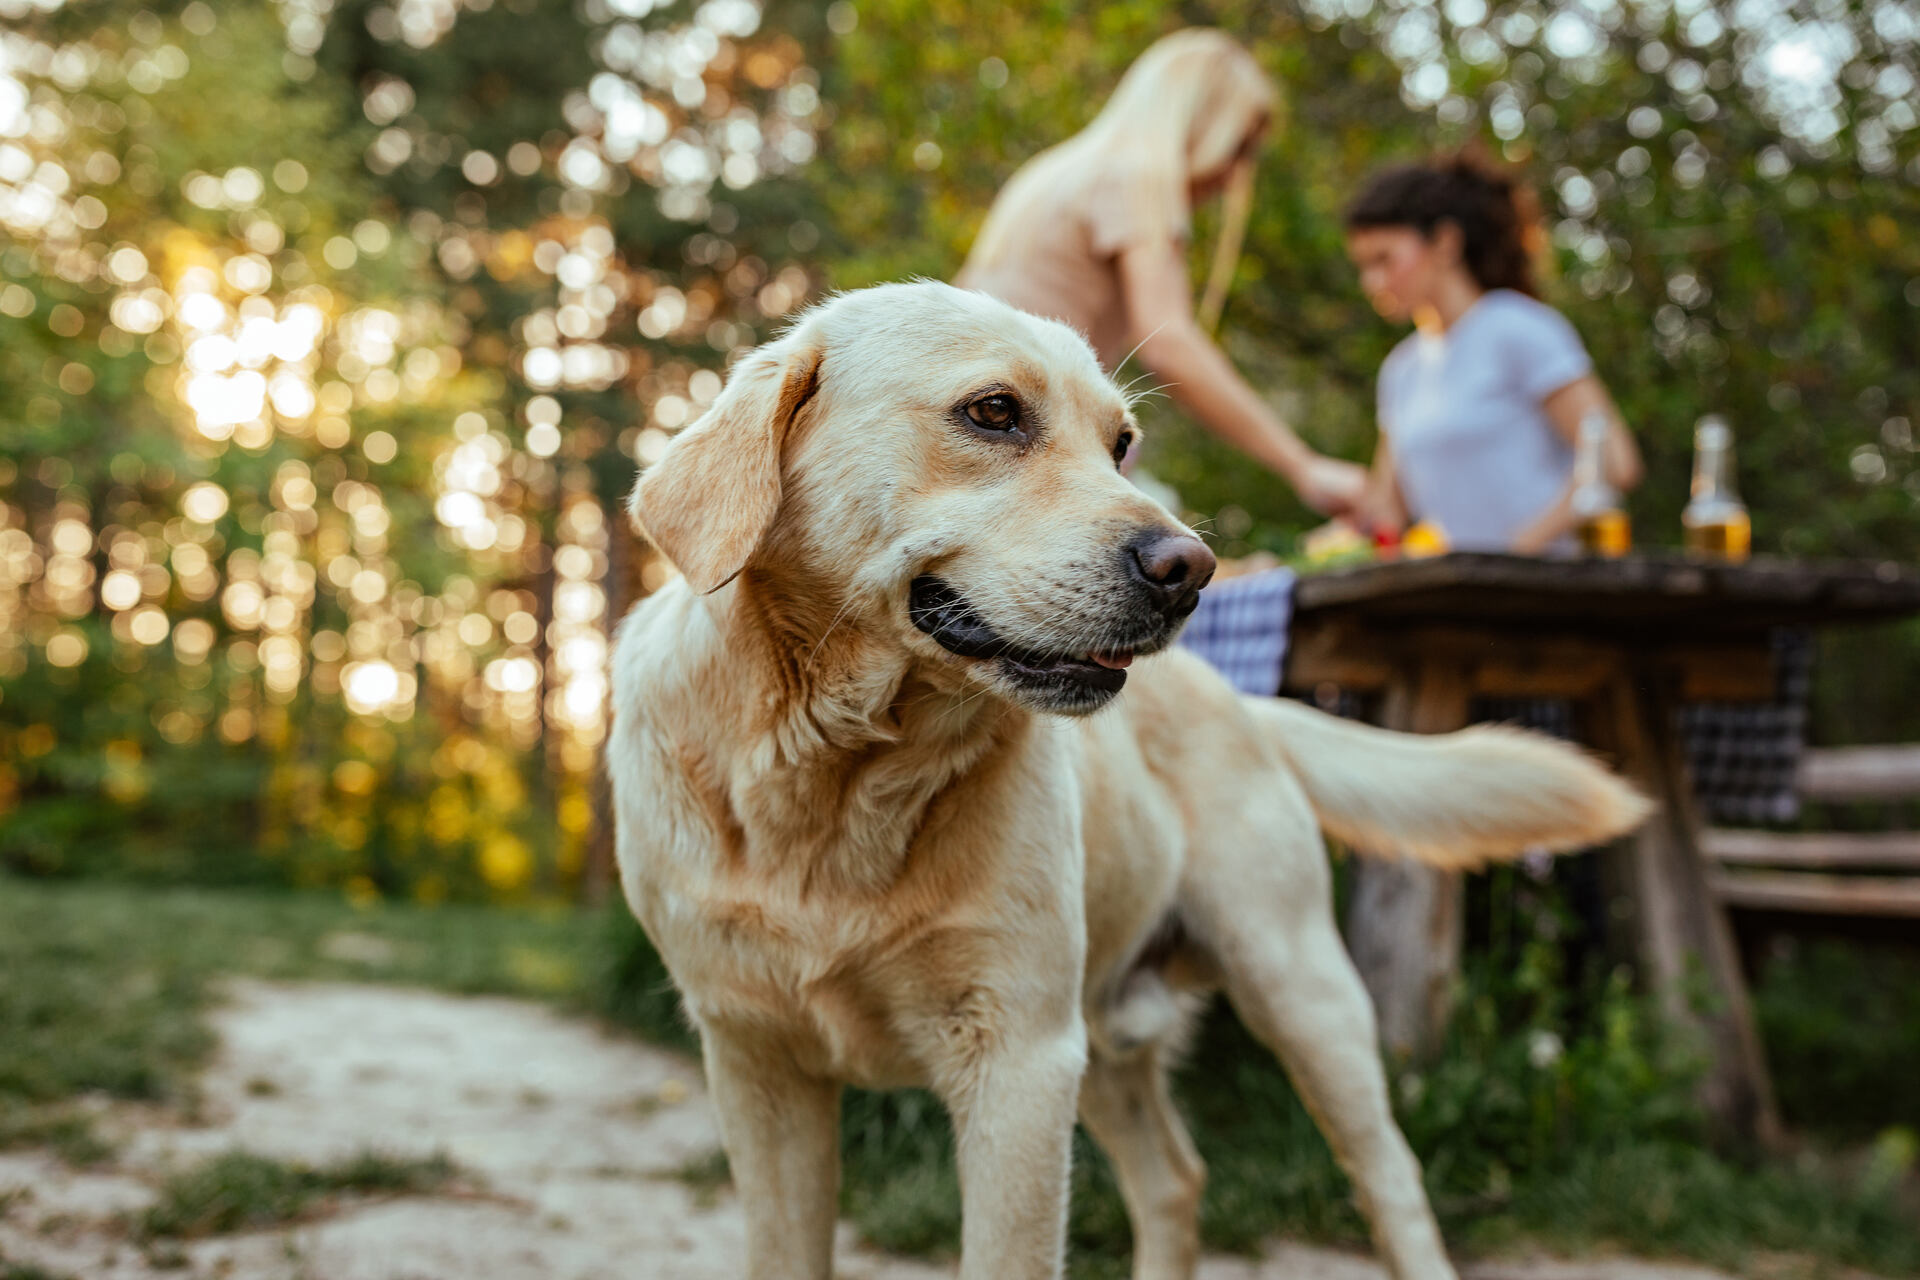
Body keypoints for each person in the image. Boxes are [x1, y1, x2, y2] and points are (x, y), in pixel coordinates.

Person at [956, 29, 1367, 515]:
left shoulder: (1055, 173)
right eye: (1238, 147)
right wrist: (1304, 466)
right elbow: (1171, 343)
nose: (1234, 176)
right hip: (1020, 450)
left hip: (976, 435)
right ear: (1199, 117)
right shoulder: (1138, 177)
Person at [1342, 151, 1643, 552]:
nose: (1372, 281)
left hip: (1554, 591)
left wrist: (1514, 552)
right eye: (1363, 265)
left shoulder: (1517, 328)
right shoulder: (1402, 369)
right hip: (1468, 600)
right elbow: (1389, 512)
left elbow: (1614, 463)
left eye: (1384, 259)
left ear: (1445, 243)